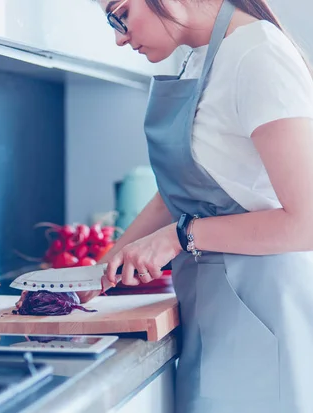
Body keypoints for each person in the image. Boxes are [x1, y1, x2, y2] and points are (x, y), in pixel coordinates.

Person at [78, 1, 313, 412]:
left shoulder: (257, 54)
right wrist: (100, 273)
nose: (119, 37)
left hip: (262, 312)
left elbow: (307, 221)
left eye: (121, 13)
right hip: (216, 310)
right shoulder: (201, 59)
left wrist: (179, 237)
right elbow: (179, 193)